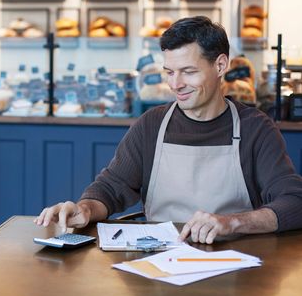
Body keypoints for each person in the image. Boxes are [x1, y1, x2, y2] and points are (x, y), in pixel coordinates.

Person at [35, 16, 302, 244]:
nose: (176, 84)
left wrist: (233, 223)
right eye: (169, 72)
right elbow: (110, 188)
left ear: (220, 65)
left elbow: (295, 202)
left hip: (237, 266)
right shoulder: (151, 125)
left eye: (188, 72)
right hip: (159, 264)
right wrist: (84, 209)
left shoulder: (256, 129)